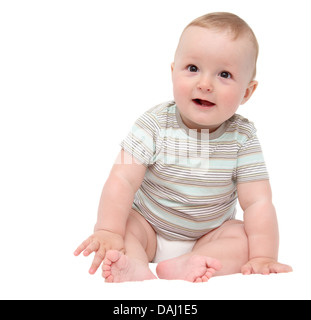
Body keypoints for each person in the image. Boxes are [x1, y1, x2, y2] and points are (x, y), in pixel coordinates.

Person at [74, 12, 292, 282]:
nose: (205, 84)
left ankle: (188, 264)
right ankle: (135, 265)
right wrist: (107, 229)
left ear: (247, 92)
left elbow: (258, 201)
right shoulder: (153, 124)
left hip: (209, 235)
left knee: (243, 236)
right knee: (125, 227)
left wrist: (263, 255)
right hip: (149, 228)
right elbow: (122, 179)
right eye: (192, 68)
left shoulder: (242, 137)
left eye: (224, 74)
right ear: (173, 72)